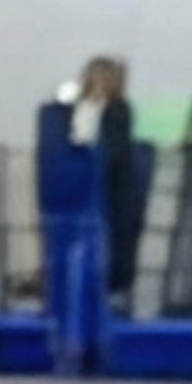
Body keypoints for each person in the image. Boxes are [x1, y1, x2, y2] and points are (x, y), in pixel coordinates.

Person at [65, 55, 143, 306]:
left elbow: (115, 147)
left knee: (112, 240)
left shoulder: (119, 110)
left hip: (108, 187)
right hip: (81, 181)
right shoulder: (81, 107)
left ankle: (113, 290)